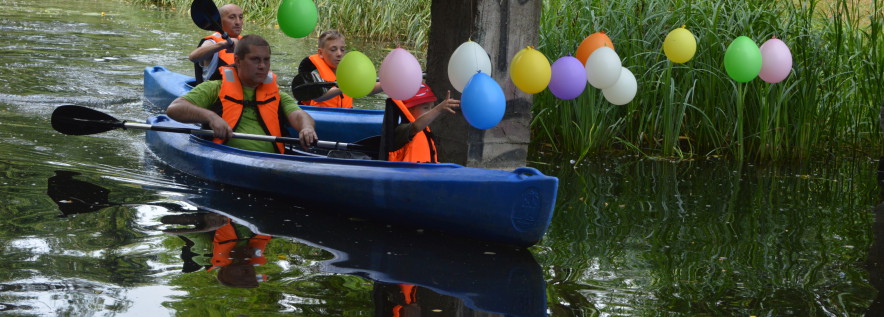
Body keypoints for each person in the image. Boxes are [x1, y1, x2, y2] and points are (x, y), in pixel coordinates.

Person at [168, 34, 318, 153]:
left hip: (272, 162)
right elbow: (175, 109)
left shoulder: (276, 95)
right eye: (255, 60)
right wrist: (211, 117)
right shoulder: (215, 88)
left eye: (266, 60)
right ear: (238, 61)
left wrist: (306, 128)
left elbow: (299, 115)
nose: (262, 66)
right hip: (225, 158)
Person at [161, 212, 271, 288]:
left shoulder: (208, 254)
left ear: (224, 271)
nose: (249, 273)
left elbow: (168, 223)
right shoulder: (256, 255)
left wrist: (205, 224)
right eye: (251, 274)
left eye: (242, 275)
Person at [293, 29, 382, 108]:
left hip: (345, 116)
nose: (339, 54)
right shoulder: (314, 74)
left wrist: (387, 84)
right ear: (320, 53)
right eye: (333, 49)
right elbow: (318, 97)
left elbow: (365, 88)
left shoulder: (349, 72)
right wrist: (345, 87)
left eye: (342, 49)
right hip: (321, 117)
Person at [381, 83, 460, 163]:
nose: (430, 111)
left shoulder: (426, 130)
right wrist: (438, 109)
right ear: (410, 110)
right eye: (425, 108)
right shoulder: (402, 130)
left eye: (432, 107)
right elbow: (416, 127)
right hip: (406, 174)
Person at [189, 4, 244, 84]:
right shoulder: (211, 42)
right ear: (219, 20)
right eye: (232, 17)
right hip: (215, 93)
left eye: (240, 17)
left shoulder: (245, 41)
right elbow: (193, 57)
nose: (238, 22)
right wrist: (223, 44)